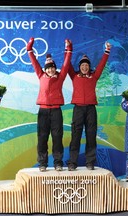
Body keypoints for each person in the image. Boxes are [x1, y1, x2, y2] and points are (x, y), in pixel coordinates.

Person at [26, 37, 72, 172]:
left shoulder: (61, 76)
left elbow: (66, 64)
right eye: (48, 68)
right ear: (45, 69)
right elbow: (34, 63)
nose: (51, 70)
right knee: (42, 138)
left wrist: (68, 49)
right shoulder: (41, 75)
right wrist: (29, 49)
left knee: (57, 138)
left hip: (56, 111)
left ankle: (58, 163)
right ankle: (42, 163)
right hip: (43, 111)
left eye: (52, 68)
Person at [67, 41, 111, 171]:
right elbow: (67, 64)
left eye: (87, 65)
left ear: (89, 67)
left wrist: (107, 51)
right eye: (83, 65)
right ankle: (72, 163)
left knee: (91, 136)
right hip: (78, 109)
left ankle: (90, 162)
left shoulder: (94, 76)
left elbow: (102, 65)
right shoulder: (74, 76)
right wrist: (68, 49)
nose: (85, 67)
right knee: (75, 136)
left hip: (91, 109)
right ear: (79, 66)